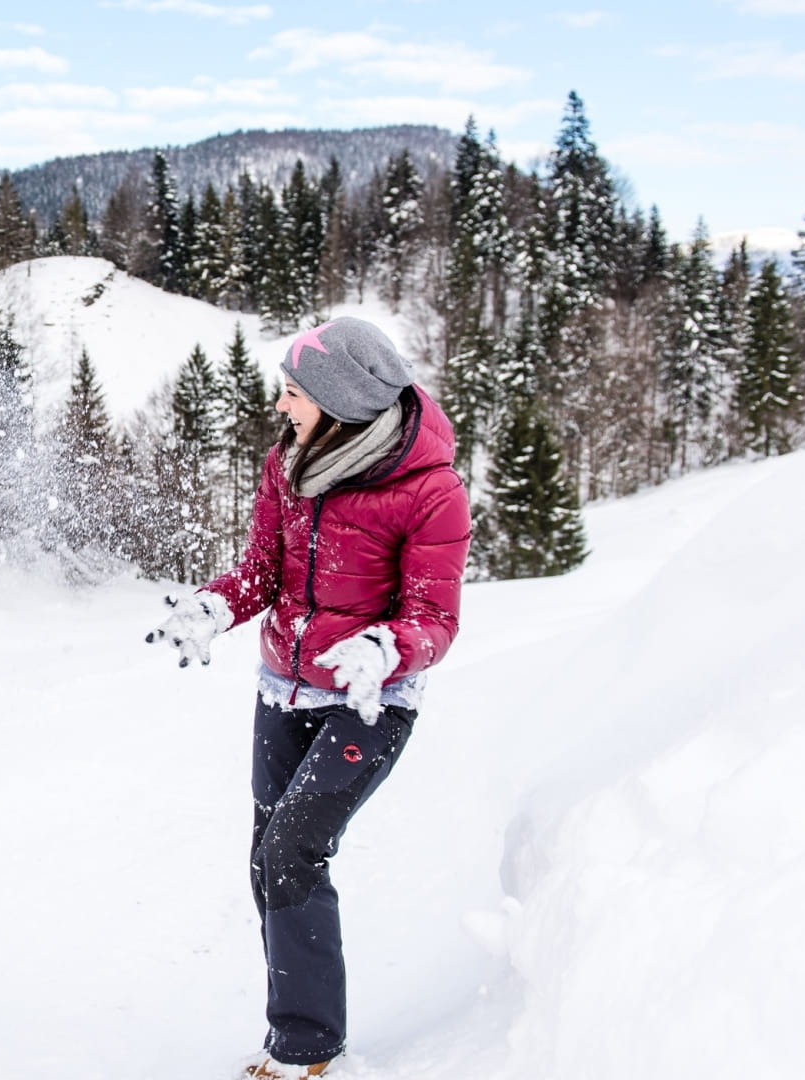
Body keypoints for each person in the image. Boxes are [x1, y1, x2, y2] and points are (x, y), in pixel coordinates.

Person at [147, 318, 470, 1078]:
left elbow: (434, 617)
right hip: (283, 691)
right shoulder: (287, 465)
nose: (282, 405)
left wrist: (385, 649)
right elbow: (263, 569)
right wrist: (216, 606)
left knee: (292, 850)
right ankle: (296, 1036)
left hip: (370, 702)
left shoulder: (429, 491)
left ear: (341, 400)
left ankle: (309, 1049)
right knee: (267, 859)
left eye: (294, 392)